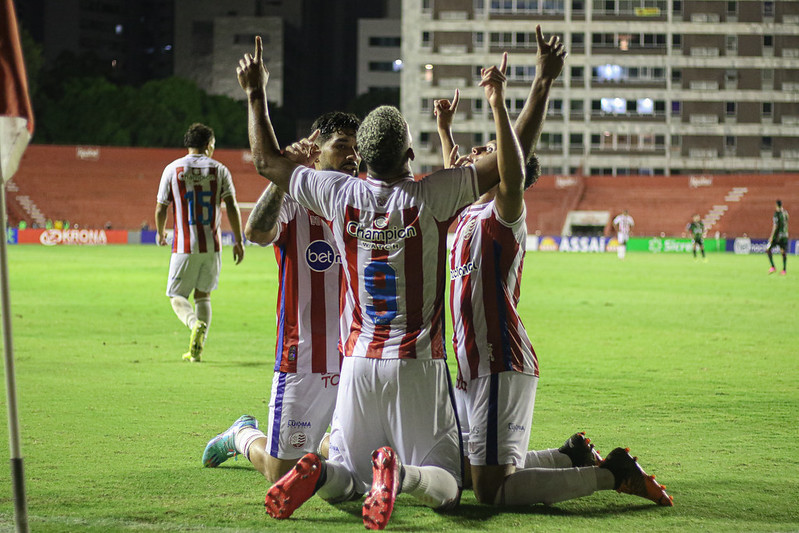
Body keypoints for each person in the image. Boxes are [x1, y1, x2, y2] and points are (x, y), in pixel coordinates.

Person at [238, 34, 547, 529]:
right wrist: (517, 92)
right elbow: (513, 162)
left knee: (349, 475)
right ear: (407, 151)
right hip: (416, 363)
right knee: (448, 484)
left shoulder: (335, 192)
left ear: (362, 155)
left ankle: (317, 476)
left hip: (358, 362)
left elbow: (266, 162)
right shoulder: (431, 196)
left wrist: (256, 95)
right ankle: (401, 477)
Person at [438, 48, 672, 509]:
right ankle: (572, 456)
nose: (474, 155)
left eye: (485, 151)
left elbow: (511, 162)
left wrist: (516, 94)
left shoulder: (504, 213)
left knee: (491, 491)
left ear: (507, 169)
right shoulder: (467, 213)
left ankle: (611, 474)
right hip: (472, 363)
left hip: (500, 359)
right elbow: (456, 173)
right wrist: (446, 129)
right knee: (465, 470)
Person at [201, 111, 361, 483]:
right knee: (282, 475)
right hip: (303, 355)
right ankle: (242, 435)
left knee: (360, 457)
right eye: (341, 146)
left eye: (356, 148)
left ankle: (321, 442)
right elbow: (256, 230)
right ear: (316, 153)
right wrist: (283, 176)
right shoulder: (294, 200)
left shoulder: (364, 199)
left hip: (357, 357)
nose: (352, 155)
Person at [155, 122, 245, 362]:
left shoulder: (172, 169)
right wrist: (238, 240)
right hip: (212, 246)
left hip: (184, 246)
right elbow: (233, 207)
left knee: (176, 296)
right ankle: (197, 350)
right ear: (208, 145)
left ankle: (194, 324)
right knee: (203, 295)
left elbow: (161, 207)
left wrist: (160, 232)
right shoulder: (220, 170)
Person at [767, 199, 789, 275]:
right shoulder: (785, 213)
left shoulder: (776, 214)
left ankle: (773, 267)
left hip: (777, 236)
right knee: (783, 252)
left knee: (768, 249)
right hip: (785, 235)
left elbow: (775, 226)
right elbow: (787, 222)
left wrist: (771, 237)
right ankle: (784, 270)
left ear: (776, 205)